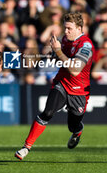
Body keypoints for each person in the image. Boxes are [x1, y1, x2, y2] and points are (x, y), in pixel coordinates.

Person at [15, 12, 94, 160]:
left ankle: (78, 130)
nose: (66, 32)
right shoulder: (64, 39)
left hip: (79, 90)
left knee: (73, 125)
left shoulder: (86, 45)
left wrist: (58, 51)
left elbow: (76, 70)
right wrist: (52, 53)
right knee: (48, 112)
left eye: (69, 28)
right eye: (65, 28)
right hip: (62, 83)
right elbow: (59, 58)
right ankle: (26, 147)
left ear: (79, 28)